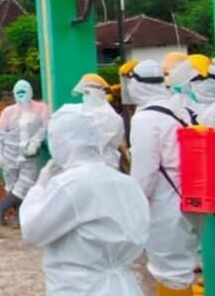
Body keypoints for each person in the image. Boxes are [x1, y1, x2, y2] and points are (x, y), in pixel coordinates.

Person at [20, 104, 150, 295]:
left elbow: (32, 231)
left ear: (62, 140)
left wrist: (39, 188)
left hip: (80, 286)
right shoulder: (127, 183)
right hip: (124, 285)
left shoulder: (70, 185)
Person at [120, 59, 200, 295]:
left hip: (166, 202)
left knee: (169, 270)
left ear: (137, 85)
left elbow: (145, 172)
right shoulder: (179, 108)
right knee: (182, 266)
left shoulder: (146, 119)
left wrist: (133, 206)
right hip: (189, 196)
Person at [0, 79, 50, 225]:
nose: (22, 94)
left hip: (29, 154)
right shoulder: (9, 112)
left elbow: (45, 128)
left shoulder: (41, 109)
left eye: (25, 90)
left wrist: (35, 142)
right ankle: (19, 216)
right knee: (12, 184)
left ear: (30, 91)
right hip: (9, 152)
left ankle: (1, 206)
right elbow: (0, 133)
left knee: (26, 184)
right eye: (19, 91)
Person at [71, 73, 124, 170]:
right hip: (105, 164)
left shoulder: (109, 116)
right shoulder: (111, 116)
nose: (84, 97)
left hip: (105, 164)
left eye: (86, 93)